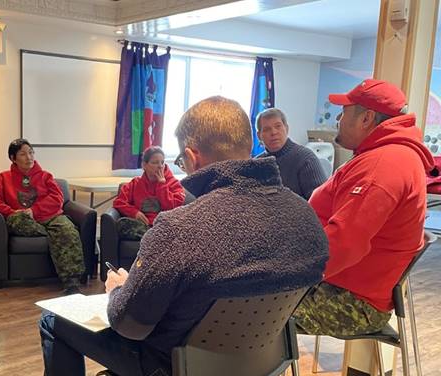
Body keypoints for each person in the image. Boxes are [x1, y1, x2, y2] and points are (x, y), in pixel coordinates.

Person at [38, 96, 329, 376]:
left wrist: (117, 290)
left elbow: (130, 325)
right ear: (250, 143)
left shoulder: (179, 229)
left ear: (192, 156)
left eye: (180, 160)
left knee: (53, 321)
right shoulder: (305, 219)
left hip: (174, 366)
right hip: (263, 362)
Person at [293, 79, 435, 337]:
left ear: (366, 118)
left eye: (344, 112)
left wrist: (286, 272)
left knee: (248, 309)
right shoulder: (386, 155)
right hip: (342, 286)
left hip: (352, 302)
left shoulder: (383, 166)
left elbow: (345, 244)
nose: (338, 118)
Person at [0, 139, 85, 292]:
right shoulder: (4, 177)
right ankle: (54, 235)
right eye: (23, 154)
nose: (29, 157)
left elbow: (58, 199)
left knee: (67, 230)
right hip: (24, 220)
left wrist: (34, 210)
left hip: (52, 217)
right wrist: (11, 211)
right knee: (16, 221)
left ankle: (72, 282)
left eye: (31, 153)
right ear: (13, 158)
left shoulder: (45, 176)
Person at [113, 146, 185, 240]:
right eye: (155, 162)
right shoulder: (135, 183)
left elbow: (171, 208)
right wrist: (134, 213)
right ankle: (152, 238)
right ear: (144, 165)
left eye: (162, 162)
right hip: (142, 226)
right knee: (122, 224)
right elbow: (118, 202)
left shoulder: (174, 183)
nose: (160, 166)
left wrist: (162, 185)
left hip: (165, 225)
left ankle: (153, 237)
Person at [256, 108, 328, 199]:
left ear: (286, 128)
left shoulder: (306, 159)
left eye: (278, 126)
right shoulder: (256, 164)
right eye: (267, 129)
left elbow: (320, 202)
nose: (273, 132)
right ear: (259, 136)